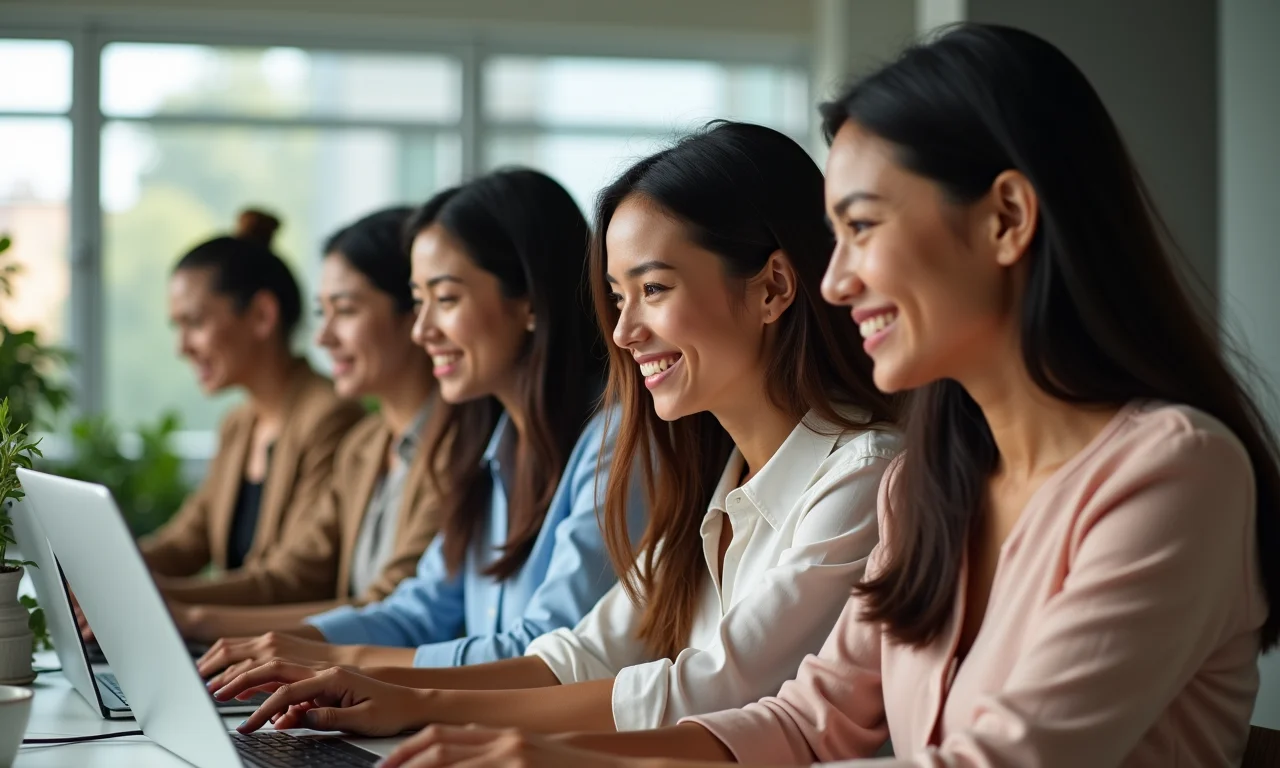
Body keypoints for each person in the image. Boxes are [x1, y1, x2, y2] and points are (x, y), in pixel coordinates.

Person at [369, 23, 1280, 768]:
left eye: (862, 229)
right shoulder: (928, 485)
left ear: (1006, 219)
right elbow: (808, 722)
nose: (835, 281)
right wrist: (555, 759)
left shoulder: (1174, 472)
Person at [208, 122, 903, 738]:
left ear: (774, 288)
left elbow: (715, 687)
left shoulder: (865, 474)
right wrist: (395, 693)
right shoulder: (708, 484)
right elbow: (583, 655)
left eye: (654, 289)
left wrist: (428, 704)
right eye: (619, 297)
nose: (626, 332)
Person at [192, 169, 648, 676]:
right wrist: (276, 645)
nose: (423, 330)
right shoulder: (491, 447)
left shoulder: (617, 439)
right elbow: (418, 612)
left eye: (446, 299)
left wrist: (333, 659)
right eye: (419, 300)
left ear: (531, 302)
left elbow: (544, 650)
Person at [156, 207, 442, 641]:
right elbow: (188, 540)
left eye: (344, 311)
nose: (323, 337)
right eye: (323, 312)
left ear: (415, 314)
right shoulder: (364, 442)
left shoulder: (341, 419)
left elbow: (314, 584)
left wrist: (189, 615)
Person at [142, 209, 365, 582]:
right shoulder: (239, 424)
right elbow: (184, 543)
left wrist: (174, 604)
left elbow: (295, 578)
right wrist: (99, 572)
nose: (182, 347)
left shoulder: (331, 417)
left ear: (262, 315)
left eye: (194, 323)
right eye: (177, 327)